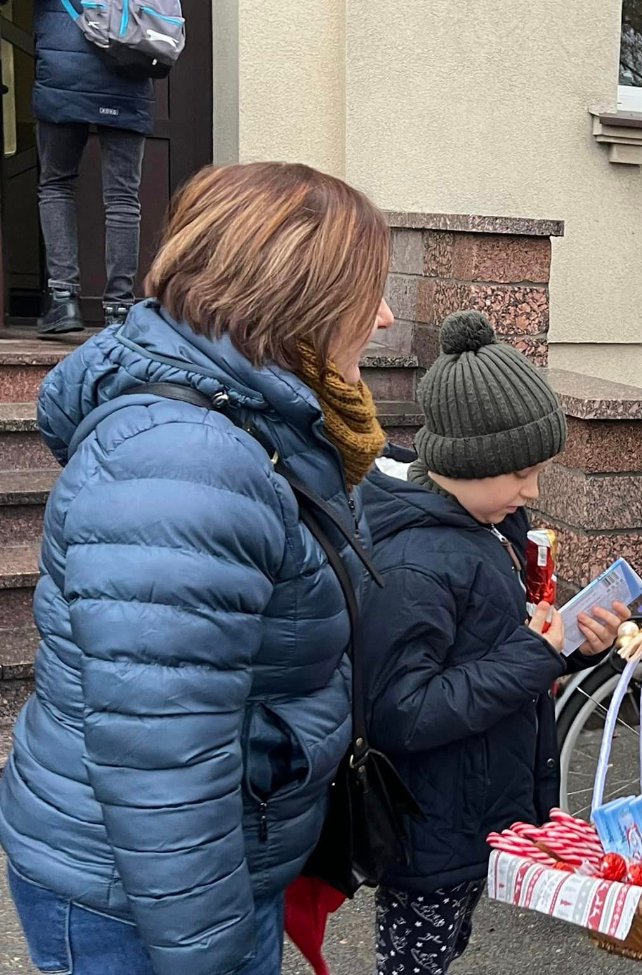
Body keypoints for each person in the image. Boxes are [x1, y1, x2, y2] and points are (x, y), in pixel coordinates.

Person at [0, 162, 394, 975]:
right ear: (300, 301)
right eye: (368, 295)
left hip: (188, 875)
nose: (385, 317)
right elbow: (161, 761)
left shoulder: (251, 416)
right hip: (136, 896)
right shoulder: (190, 462)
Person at [358, 311, 631, 975]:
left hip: (470, 810)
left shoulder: (487, 522)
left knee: (443, 947)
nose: (532, 491)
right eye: (522, 474)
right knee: (416, 958)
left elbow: (491, 650)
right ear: (470, 461)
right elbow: (402, 709)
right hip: (429, 827)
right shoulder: (416, 561)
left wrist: (570, 644)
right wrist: (534, 655)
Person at [32, 0, 155, 335]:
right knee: (123, 199)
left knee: (56, 184)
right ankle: (119, 309)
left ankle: (63, 299)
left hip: (63, 74)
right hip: (127, 70)